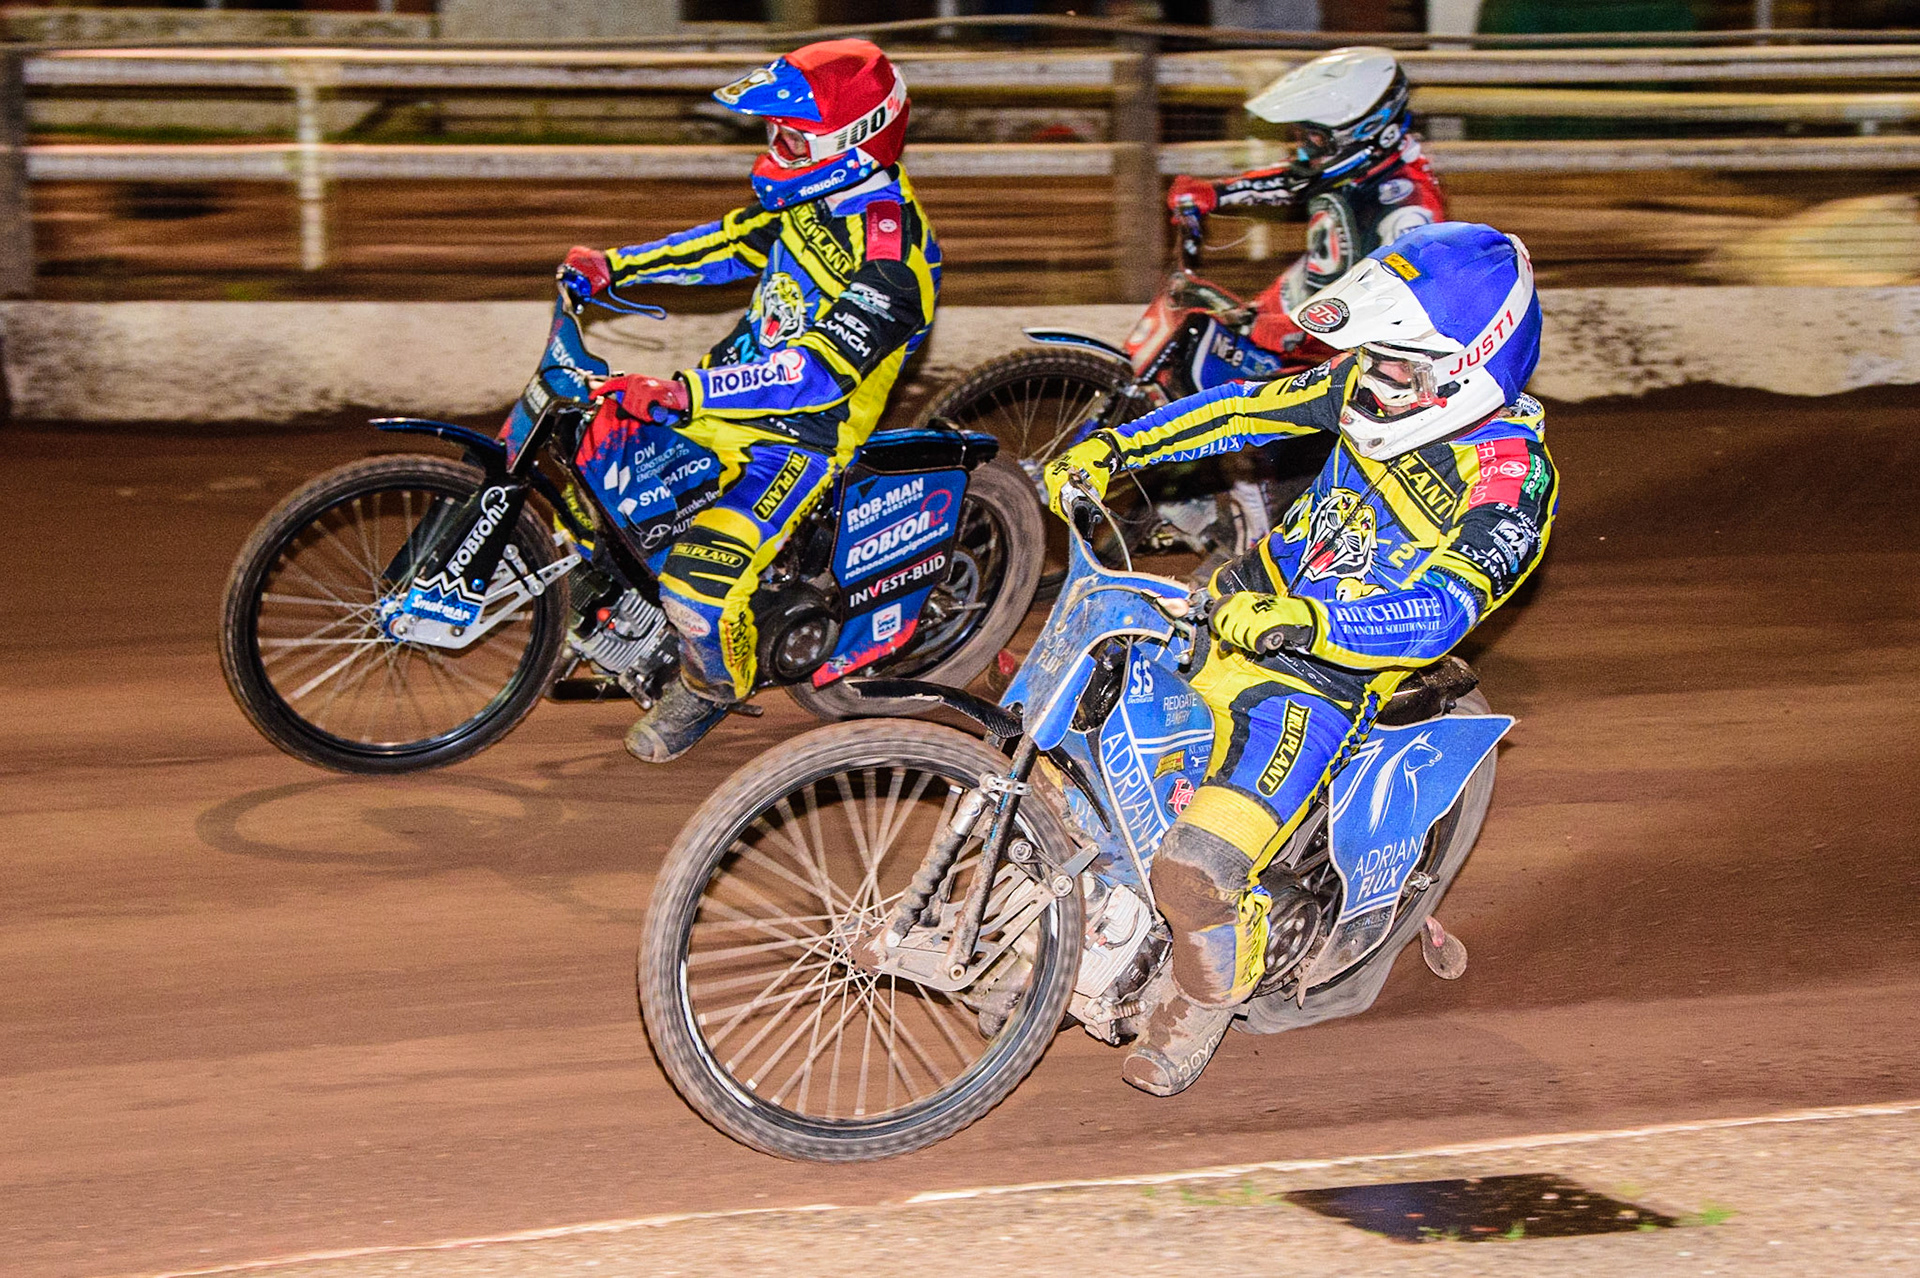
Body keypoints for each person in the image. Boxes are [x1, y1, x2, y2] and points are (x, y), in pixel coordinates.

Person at [1042, 222, 1557, 1096]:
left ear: (1467, 370)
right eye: (1373, 354)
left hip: (1320, 679)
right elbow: (1242, 406)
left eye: (1397, 365)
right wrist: (1119, 448)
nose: (1371, 376)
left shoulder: (1510, 480)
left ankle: (1209, 992)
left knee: (1195, 868)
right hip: (1232, 608)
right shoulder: (1370, 381)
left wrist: (1309, 627)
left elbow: (1443, 612)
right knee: (1064, 747)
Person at [557, 38, 941, 763]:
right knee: (590, 481)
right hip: (714, 403)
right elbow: (728, 245)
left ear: (852, 140)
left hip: (794, 442)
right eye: (776, 133)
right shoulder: (813, 199)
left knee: (697, 593)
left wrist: (684, 389)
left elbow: (815, 376)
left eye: (792, 137)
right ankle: (617, 624)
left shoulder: (893, 260)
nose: (776, 148)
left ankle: (711, 689)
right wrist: (615, 267)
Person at [1164, 46, 1445, 372]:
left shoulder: (1408, 207)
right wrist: (1213, 193)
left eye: (1315, 139)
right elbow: (1296, 180)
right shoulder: (1365, 165)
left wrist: (1295, 331)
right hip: (1292, 321)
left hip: (1349, 362)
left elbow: (1393, 304)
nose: (1302, 151)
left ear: (1367, 130)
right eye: (1301, 137)